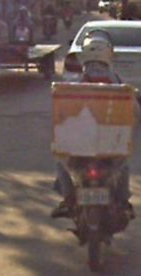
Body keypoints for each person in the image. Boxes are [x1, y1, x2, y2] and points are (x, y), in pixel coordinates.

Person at [51, 34, 135, 218]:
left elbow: (63, 111)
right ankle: (123, 202)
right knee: (123, 166)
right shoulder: (118, 83)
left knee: (62, 163)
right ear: (108, 55)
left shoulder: (74, 84)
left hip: (80, 143)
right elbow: (133, 109)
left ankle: (68, 200)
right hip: (110, 143)